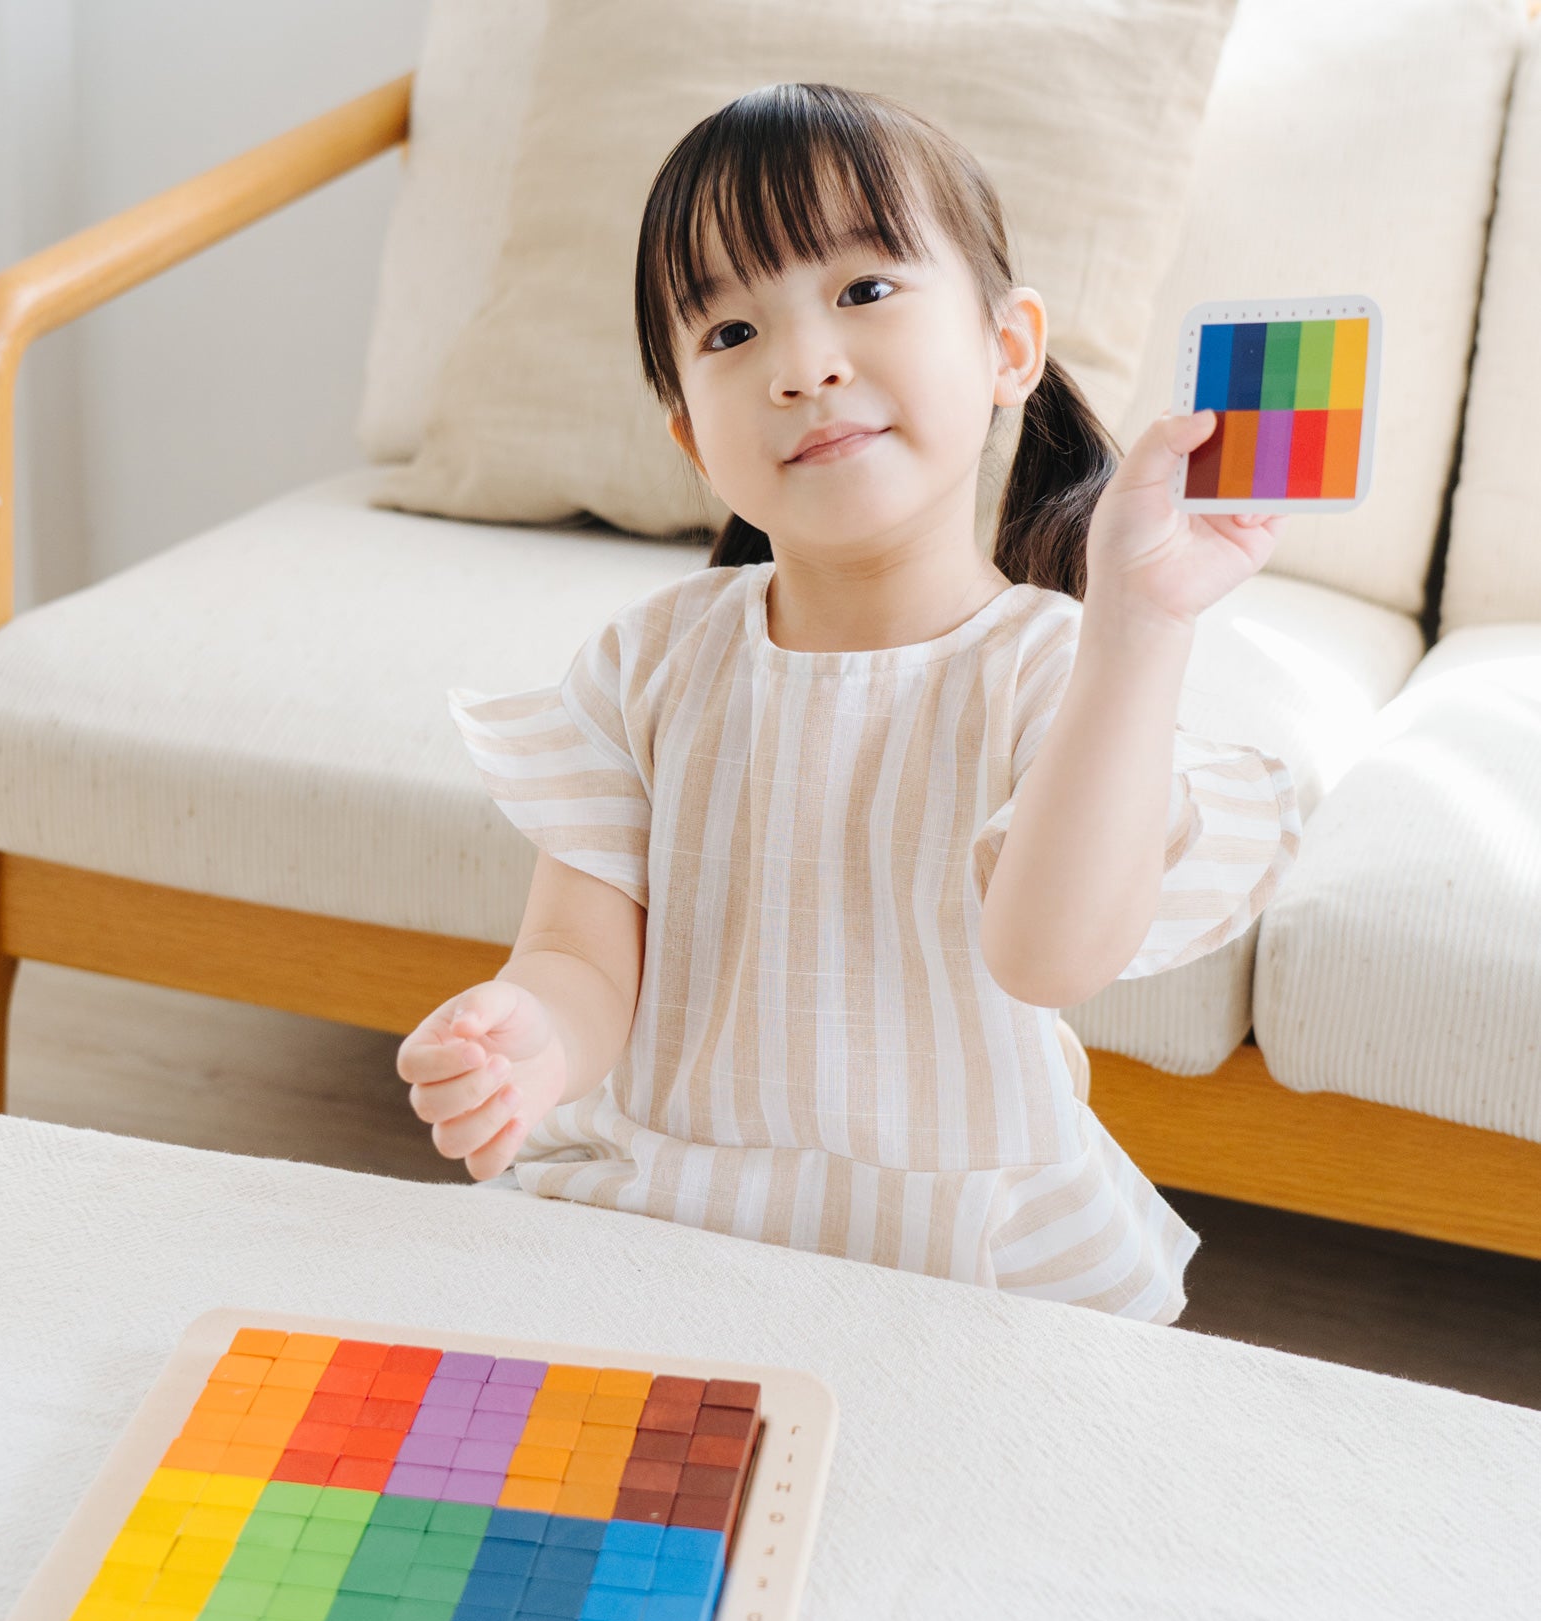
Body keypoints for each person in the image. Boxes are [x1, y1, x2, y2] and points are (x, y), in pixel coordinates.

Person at [395, 82, 1300, 1324]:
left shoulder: (1053, 667)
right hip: (663, 1207)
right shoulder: (647, 662)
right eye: (727, 334)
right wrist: (530, 1038)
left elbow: (1046, 957)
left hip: (954, 1250)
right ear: (687, 438)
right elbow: (577, 962)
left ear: (1007, 348)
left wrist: (1138, 625)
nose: (802, 366)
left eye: (863, 291)